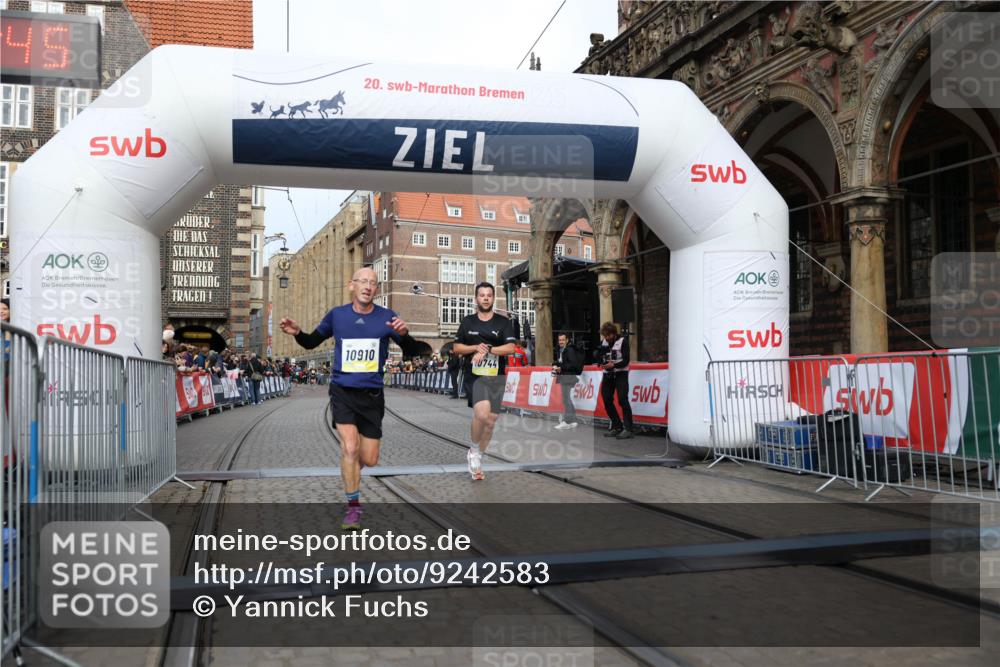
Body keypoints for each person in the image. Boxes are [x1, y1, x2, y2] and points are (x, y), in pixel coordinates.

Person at [279, 267, 420, 530]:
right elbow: (311, 343)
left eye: (373, 283)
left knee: (369, 459)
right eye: (363, 281)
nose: (368, 286)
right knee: (350, 448)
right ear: (351, 285)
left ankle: (351, 471)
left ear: (377, 289)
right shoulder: (337, 315)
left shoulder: (388, 317)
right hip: (343, 392)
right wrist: (298, 332)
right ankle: (353, 507)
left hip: (372, 396)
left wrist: (405, 335)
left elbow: (413, 352)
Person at [452, 282, 517, 480]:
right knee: (481, 415)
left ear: (493, 298)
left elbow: (511, 348)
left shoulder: (503, 322)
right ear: (476, 298)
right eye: (482, 295)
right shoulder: (468, 322)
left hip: (496, 376)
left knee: (491, 421)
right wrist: (475, 348)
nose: (486, 298)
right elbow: (457, 348)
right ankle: (473, 449)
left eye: (489, 295)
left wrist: (488, 349)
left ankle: (478, 456)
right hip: (475, 376)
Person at [597, 322, 633, 439]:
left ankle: (628, 429)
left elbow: (626, 360)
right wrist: (600, 361)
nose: (606, 338)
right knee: (606, 399)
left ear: (613, 333)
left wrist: (613, 365)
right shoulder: (604, 342)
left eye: (608, 335)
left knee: (622, 399)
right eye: (604, 336)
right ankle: (617, 426)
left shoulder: (623, 341)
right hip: (608, 374)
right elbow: (600, 356)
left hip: (621, 373)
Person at [553, 333, 583, 429]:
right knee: (566, 399)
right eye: (559, 340)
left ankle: (567, 421)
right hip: (564, 376)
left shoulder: (569, 350)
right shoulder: (562, 350)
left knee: (566, 399)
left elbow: (572, 364)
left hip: (568, 376)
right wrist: (555, 364)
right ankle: (573, 420)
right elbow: (562, 362)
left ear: (567, 340)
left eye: (562, 340)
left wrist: (561, 368)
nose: (561, 342)